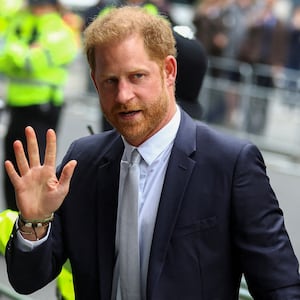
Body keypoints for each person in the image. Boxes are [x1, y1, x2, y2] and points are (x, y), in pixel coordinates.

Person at [4, 6, 300, 300]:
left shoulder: (230, 163)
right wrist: (35, 222)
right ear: (95, 83)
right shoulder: (82, 161)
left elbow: (280, 287)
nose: (123, 96)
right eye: (110, 81)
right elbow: (28, 279)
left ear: (169, 71)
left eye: (137, 76)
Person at [0, 0, 78, 211]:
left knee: (35, 173)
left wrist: (15, 51)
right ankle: (10, 227)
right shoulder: (19, 19)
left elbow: (30, 62)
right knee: (12, 172)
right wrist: (22, 52)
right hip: (17, 105)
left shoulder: (60, 29)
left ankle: (33, 226)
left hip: (42, 109)